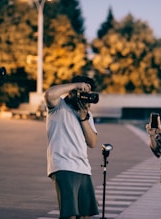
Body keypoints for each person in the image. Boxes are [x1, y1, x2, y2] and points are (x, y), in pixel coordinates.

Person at [44, 75, 99, 219]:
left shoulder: (87, 114)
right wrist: (76, 85)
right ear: (72, 91)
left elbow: (93, 142)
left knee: (85, 215)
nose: (84, 95)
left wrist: (83, 117)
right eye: (82, 90)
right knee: (70, 215)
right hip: (63, 166)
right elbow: (49, 94)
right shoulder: (58, 106)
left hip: (83, 167)